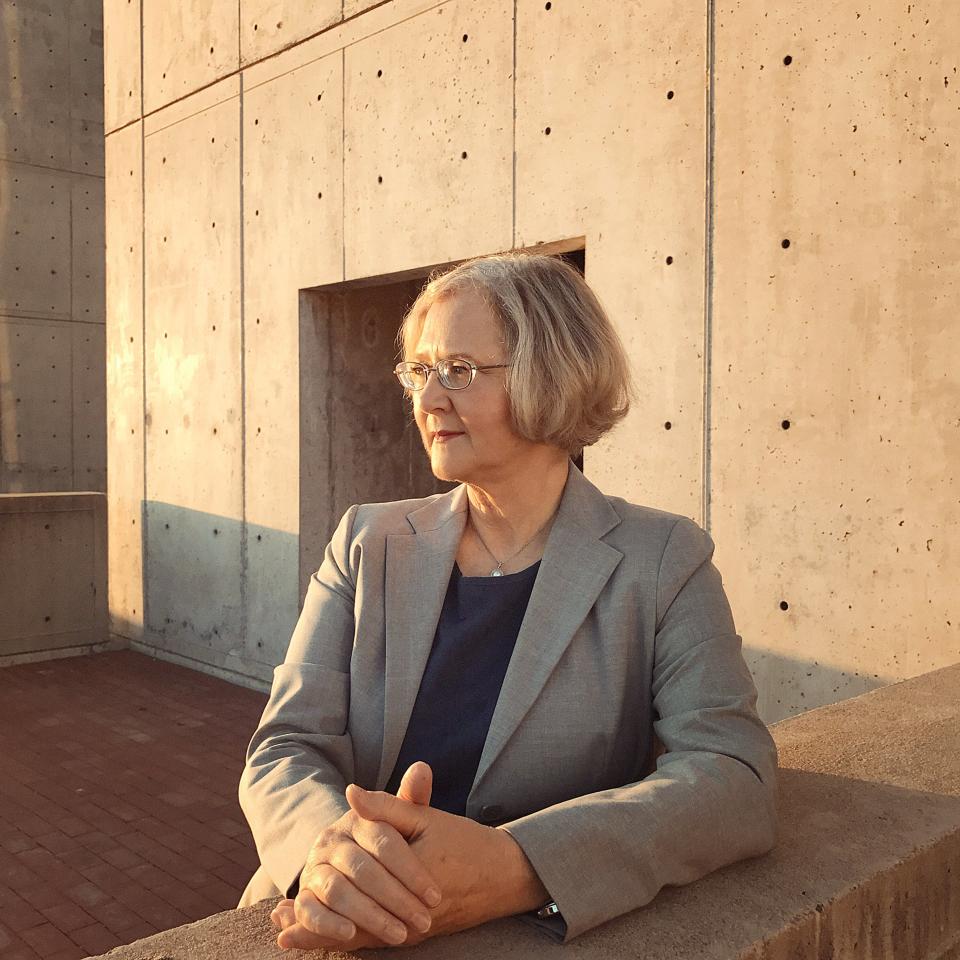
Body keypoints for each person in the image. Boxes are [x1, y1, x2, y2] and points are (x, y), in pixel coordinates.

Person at [237, 251, 779, 950]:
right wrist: (329, 855)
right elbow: (286, 744)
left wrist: (521, 864)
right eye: (419, 371)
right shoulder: (366, 542)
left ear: (550, 372)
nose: (428, 400)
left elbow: (733, 776)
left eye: (459, 371)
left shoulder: (662, 559)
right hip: (333, 922)